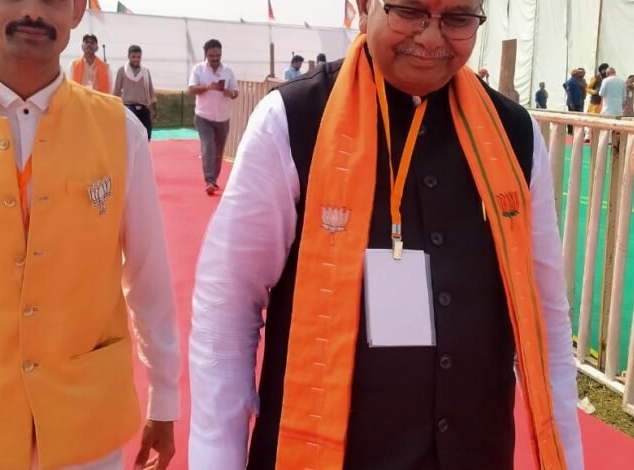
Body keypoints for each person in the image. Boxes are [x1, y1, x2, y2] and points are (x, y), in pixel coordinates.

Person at [189, 0, 584, 469]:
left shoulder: (514, 136)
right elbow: (227, 307)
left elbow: (546, 317)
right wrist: (216, 457)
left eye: (457, 19)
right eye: (409, 10)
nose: (431, 38)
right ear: (364, 6)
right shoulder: (292, 121)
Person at [0, 1, 180, 469]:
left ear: (78, 10)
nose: (33, 11)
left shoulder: (120, 132)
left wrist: (164, 396)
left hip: (89, 429)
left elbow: (149, 278)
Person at [188, 39, 239, 195]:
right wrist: (207, 87)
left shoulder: (228, 71)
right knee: (208, 147)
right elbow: (191, 89)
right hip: (203, 116)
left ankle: (214, 180)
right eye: (211, 55)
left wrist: (229, 93)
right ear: (205, 54)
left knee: (218, 152)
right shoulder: (198, 69)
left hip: (223, 118)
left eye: (218, 55)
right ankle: (209, 180)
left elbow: (236, 92)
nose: (215, 58)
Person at [114, 44, 158, 140]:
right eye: (133, 57)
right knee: (130, 137)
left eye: (138, 57)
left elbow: (150, 89)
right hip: (128, 107)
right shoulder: (122, 71)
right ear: (128, 56)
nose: (136, 59)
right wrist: (114, 107)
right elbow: (117, 90)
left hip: (143, 106)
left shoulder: (145, 72)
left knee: (146, 136)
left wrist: (154, 107)